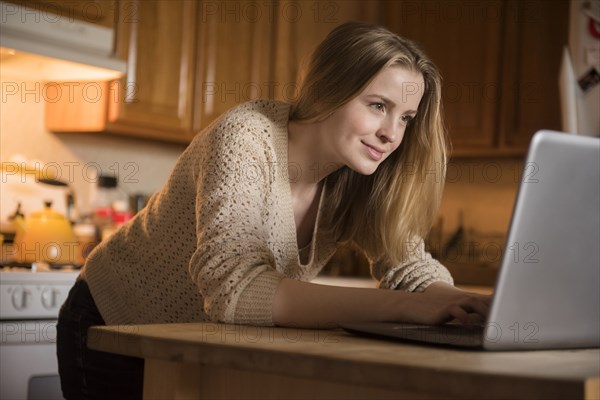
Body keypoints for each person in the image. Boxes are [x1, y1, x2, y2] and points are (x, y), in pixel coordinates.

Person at [57, 21, 490, 399]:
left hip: (197, 342)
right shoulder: (247, 136)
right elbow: (235, 290)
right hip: (113, 326)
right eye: (378, 106)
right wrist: (400, 307)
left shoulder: (363, 172)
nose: (391, 134)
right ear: (328, 90)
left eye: (406, 118)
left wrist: (467, 304)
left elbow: (409, 267)